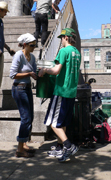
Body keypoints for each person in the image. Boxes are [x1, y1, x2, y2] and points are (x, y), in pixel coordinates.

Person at [38, 28, 81, 162]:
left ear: (66, 37)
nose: (61, 41)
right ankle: (60, 148)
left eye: (62, 38)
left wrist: (44, 70)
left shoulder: (64, 51)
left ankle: (68, 146)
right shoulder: (77, 52)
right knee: (62, 123)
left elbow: (56, 70)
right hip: (71, 92)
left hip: (61, 91)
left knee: (53, 123)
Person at [10, 33, 38, 158]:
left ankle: (24, 143)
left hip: (27, 89)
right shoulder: (18, 55)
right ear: (25, 45)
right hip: (19, 88)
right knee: (26, 118)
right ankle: (20, 150)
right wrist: (29, 74)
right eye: (32, 45)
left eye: (35, 45)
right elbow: (12, 74)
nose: (34, 48)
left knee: (30, 118)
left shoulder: (32, 57)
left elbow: (35, 72)